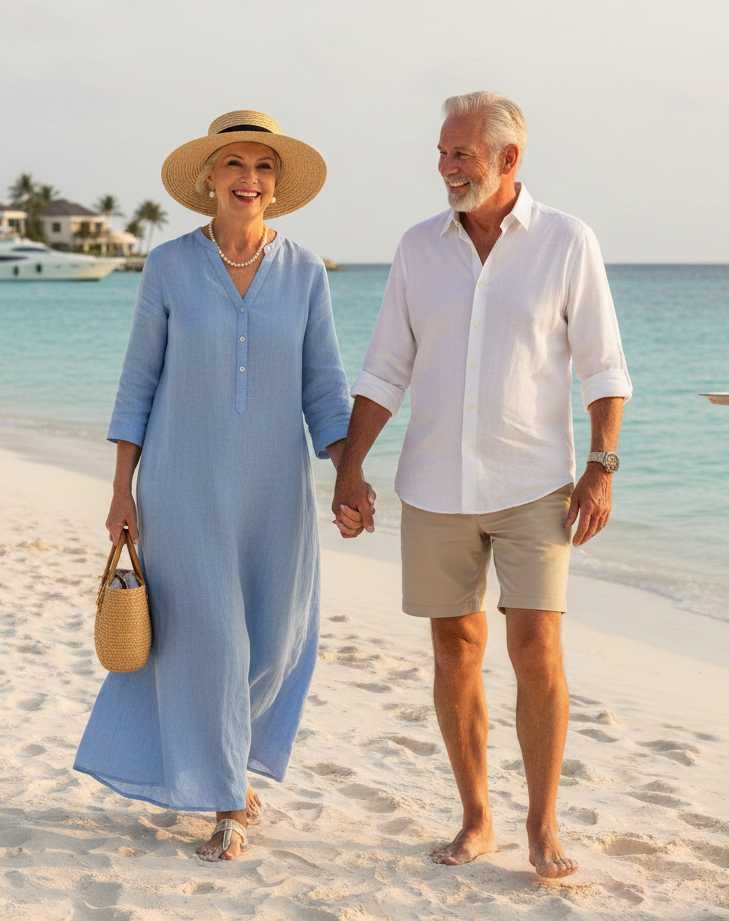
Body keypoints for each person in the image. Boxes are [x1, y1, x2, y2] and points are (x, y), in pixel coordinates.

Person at [331, 91, 632, 879]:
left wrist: (600, 466)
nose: (446, 167)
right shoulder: (416, 248)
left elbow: (604, 368)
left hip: (536, 483)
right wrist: (350, 464)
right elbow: (385, 367)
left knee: (536, 648)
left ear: (508, 159)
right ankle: (476, 819)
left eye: (460, 153)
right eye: (441, 152)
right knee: (454, 651)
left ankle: (542, 824)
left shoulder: (567, 241)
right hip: (432, 485)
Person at [75, 110, 356, 862]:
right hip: (183, 481)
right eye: (234, 165)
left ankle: (226, 763)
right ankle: (227, 794)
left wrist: (349, 469)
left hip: (275, 489)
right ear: (208, 180)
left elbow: (324, 387)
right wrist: (120, 490)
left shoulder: (304, 271)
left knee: (273, 635)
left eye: (263, 168)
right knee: (210, 642)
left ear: (277, 185)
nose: (249, 180)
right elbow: (138, 380)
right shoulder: (169, 266)